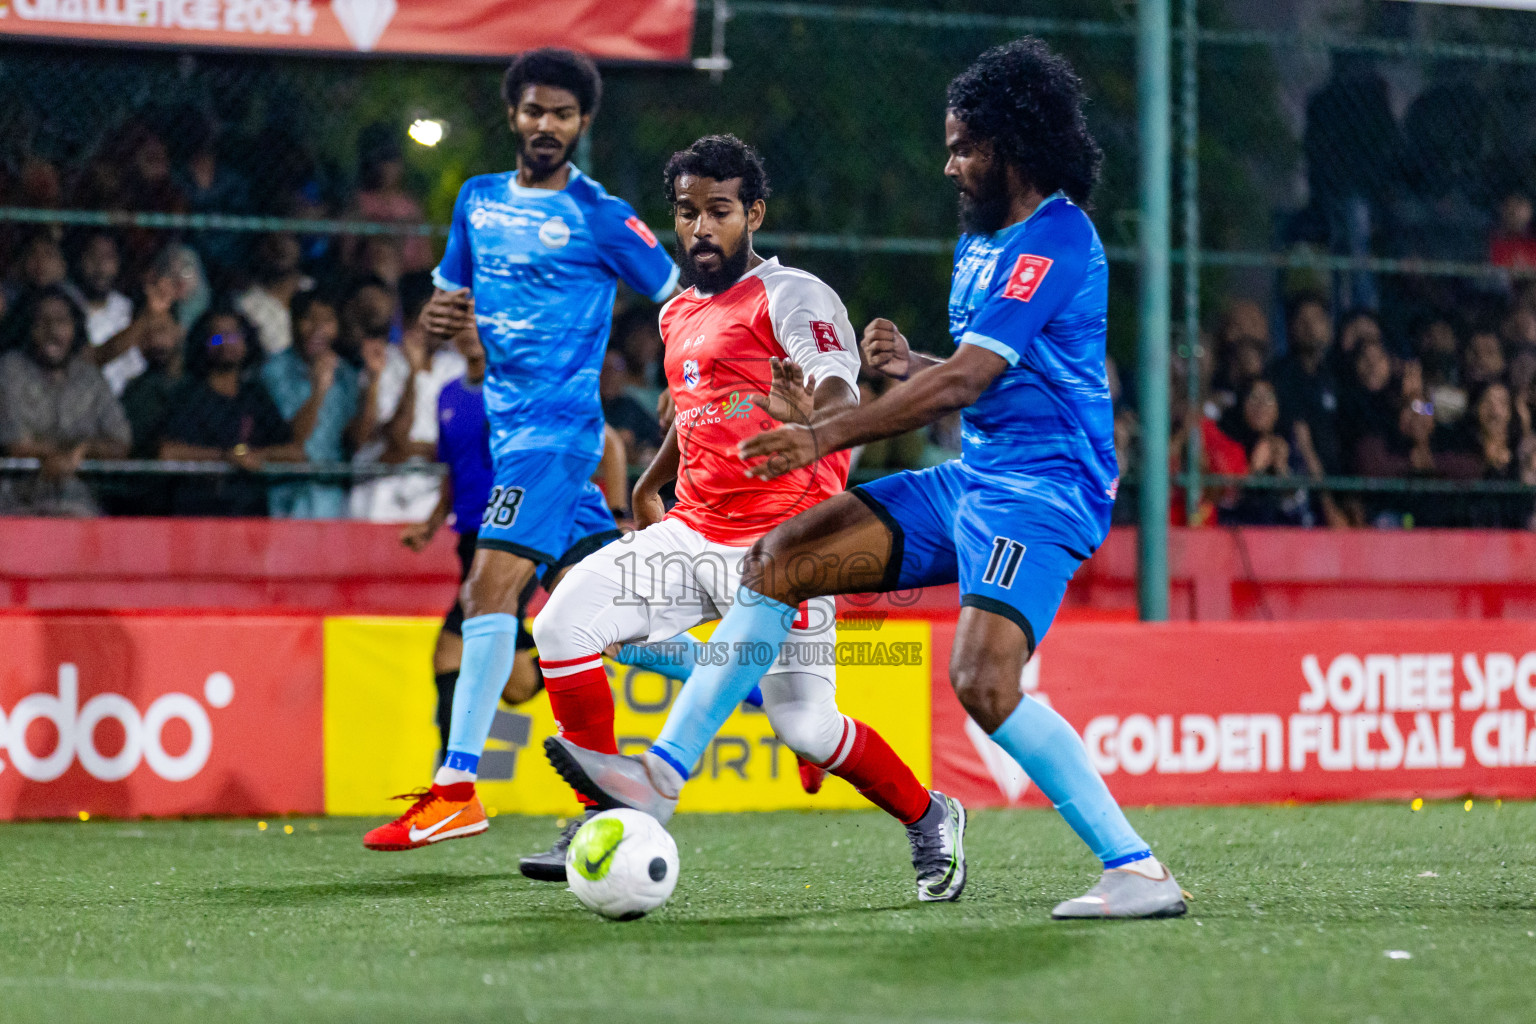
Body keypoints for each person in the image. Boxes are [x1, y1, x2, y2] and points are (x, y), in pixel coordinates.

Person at [543, 39, 1187, 920]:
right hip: (976, 476)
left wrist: (827, 432)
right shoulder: (981, 242)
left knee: (984, 686)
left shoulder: (1059, 237)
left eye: (965, 146)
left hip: (1044, 494)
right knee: (782, 559)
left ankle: (1137, 869)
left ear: (1014, 146)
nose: (950, 161)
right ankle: (659, 775)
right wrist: (911, 362)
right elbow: (987, 374)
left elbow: (965, 383)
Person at [531, 135, 962, 898]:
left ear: (753, 213)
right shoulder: (676, 316)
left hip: (782, 550)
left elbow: (840, 389)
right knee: (562, 624)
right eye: (688, 213)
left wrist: (811, 420)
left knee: (808, 729)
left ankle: (931, 814)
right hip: (691, 529)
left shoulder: (794, 294)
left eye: (719, 211)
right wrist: (650, 482)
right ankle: (603, 813)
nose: (701, 228)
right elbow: (693, 411)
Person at [361, 49, 678, 854]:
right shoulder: (475, 201)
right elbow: (450, 295)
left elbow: (681, 298)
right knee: (611, 619)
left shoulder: (603, 216)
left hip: (558, 435)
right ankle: (763, 679)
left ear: (582, 124)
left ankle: (456, 787)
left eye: (562, 115)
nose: (547, 126)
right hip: (510, 436)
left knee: (486, 595)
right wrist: (441, 319)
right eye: (535, 111)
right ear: (514, 115)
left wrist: (691, 381)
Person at [0, 286, 130, 516]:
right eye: (43, 322)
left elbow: (120, 442)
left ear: (75, 328)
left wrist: (83, 450)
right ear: (28, 327)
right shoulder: (10, 369)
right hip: (17, 500)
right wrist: (57, 456)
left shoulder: (90, 377)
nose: (53, 331)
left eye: (62, 321)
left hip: (79, 501)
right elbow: (17, 444)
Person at [159, 308, 302, 516]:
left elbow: (294, 453)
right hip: (197, 514)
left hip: (250, 515)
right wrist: (225, 457)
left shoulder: (256, 395)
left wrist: (253, 456)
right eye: (216, 338)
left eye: (234, 335)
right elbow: (167, 451)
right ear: (203, 344)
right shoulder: (188, 394)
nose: (226, 343)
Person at [347, 274, 465, 523]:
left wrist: (415, 451)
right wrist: (413, 374)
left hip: (434, 493)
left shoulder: (456, 368)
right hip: (381, 495)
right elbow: (395, 438)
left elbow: (453, 449)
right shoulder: (383, 362)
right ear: (409, 322)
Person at [260, 292, 366, 519]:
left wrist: (374, 382)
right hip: (287, 491)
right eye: (309, 319)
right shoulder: (274, 370)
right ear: (293, 322)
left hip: (331, 493)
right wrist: (319, 389)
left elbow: (357, 439)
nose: (318, 328)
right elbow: (296, 438)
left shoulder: (346, 373)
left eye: (327, 320)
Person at [62, 231, 140, 395]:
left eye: (108, 257)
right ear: (80, 261)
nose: (100, 266)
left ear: (118, 264)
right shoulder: (63, 302)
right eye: (93, 256)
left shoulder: (126, 308)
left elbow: (134, 369)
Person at [235, 233, 311, 357]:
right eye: (272, 241)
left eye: (287, 239)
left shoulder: (315, 291)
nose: (280, 247)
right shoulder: (245, 304)